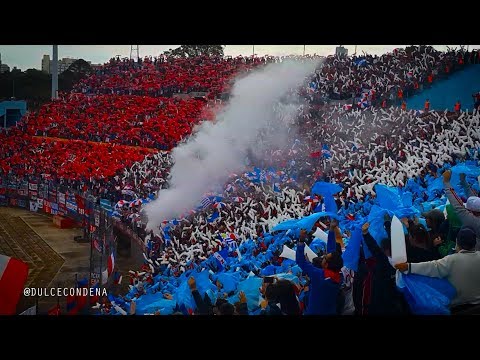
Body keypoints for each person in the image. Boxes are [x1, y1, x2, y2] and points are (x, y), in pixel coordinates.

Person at [395, 226, 480, 313]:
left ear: (457, 243)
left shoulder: (452, 260)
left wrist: (408, 267)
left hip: (460, 307)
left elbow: (432, 267)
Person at [360, 222, 410, 315]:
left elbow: (375, 249)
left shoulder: (384, 262)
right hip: (401, 302)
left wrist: (365, 233)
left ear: (385, 250)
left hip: (384, 302)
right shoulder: (405, 261)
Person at [295, 229, 343, 315]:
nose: (323, 257)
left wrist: (301, 239)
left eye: (324, 257)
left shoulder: (318, 275)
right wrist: (331, 230)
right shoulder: (340, 275)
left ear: (326, 265)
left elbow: (300, 260)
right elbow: (332, 253)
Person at [442, 170, 480, 249]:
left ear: (470, 211)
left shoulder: (472, 220)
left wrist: (446, 182)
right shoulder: (477, 212)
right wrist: (463, 181)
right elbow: (474, 198)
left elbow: (457, 205)